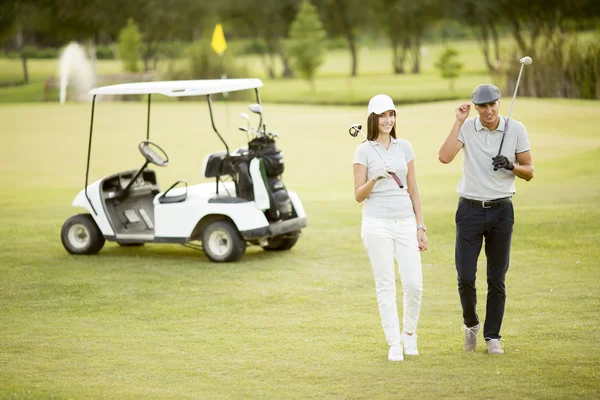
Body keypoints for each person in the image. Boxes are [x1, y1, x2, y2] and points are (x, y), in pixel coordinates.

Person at [438, 84, 534, 355]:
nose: (488, 110)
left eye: (492, 104)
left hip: (501, 210)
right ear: (476, 107)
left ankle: (493, 336)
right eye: (482, 106)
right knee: (465, 276)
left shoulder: (516, 129)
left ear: (499, 103)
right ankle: (471, 324)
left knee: (497, 277)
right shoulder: (467, 128)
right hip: (469, 210)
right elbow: (444, 157)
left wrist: (511, 165)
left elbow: (529, 171)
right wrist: (457, 121)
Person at [353, 94, 428, 362]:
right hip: (376, 224)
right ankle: (394, 343)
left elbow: (414, 189)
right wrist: (374, 178)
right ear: (373, 118)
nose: (388, 120)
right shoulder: (363, 150)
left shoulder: (404, 147)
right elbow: (359, 195)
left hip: (405, 222)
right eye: (383, 116)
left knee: (414, 284)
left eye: (392, 115)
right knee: (385, 285)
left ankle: (409, 335)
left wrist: (421, 225)